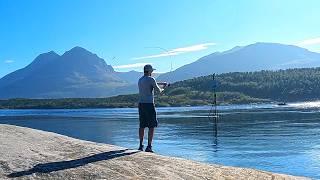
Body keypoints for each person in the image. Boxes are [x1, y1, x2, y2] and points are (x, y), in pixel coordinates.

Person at [138, 64, 167, 153]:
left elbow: (150, 84)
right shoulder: (151, 79)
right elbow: (159, 90)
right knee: (152, 126)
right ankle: (149, 146)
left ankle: (140, 145)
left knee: (142, 125)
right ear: (150, 71)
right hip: (149, 105)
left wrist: (160, 83)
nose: (152, 73)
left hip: (141, 105)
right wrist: (164, 87)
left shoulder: (140, 80)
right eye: (152, 71)